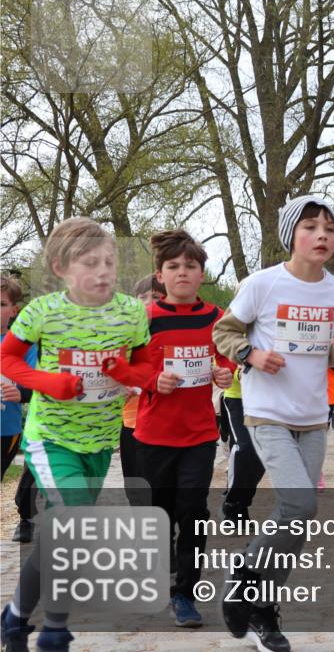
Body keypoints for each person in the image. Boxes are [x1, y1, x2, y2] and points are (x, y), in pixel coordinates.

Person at [213, 195, 334, 652]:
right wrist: (251, 354)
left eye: (329, 229)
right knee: (300, 506)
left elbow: (328, 354)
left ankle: (262, 610)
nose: (322, 236)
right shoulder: (263, 284)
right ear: (291, 234)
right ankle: (243, 580)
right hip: (266, 412)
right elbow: (223, 331)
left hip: (313, 417)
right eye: (311, 227)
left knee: (295, 521)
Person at [0, 217, 150, 652]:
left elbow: (144, 366)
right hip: (50, 438)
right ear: (61, 267)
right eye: (90, 263)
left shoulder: (130, 311)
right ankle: (55, 631)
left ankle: (13, 618)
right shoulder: (42, 312)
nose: (103, 271)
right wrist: (47, 383)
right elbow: (10, 360)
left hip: (100, 443)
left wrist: (125, 372)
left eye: (109, 261)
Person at [126, 229, 235, 627]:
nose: (183, 273)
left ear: (202, 273)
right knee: (159, 515)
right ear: (160, 275)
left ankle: (185, 594)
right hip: (153, 435)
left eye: (191, 266)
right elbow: (126, 366)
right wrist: (153, 380)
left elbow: (230, 355)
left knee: (192, 512)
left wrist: (226, 372)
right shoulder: (145, 319)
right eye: (173, 267)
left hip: (200, 436)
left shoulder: (216, 318)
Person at [120, 274, 165, 506]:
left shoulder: (172, 334)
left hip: (164, 422)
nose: (149, 302)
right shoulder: (124, 336)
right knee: (135, 484)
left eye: (156, 297)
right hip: (131, 421)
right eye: (143, 297)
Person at [1, 273, 38, 546]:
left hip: (6, 429)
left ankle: (26, 518)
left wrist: (21, 393)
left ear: (14, 309)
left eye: (1, 303)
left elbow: (37, 383)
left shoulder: (24, 345)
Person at [220, 367, 265, 522]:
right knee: (244, 448)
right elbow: (220, 359)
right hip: (237, 398)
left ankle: (242, 504)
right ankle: (231, 502)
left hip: (267, 400)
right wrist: (237, 373)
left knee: (263, 453)